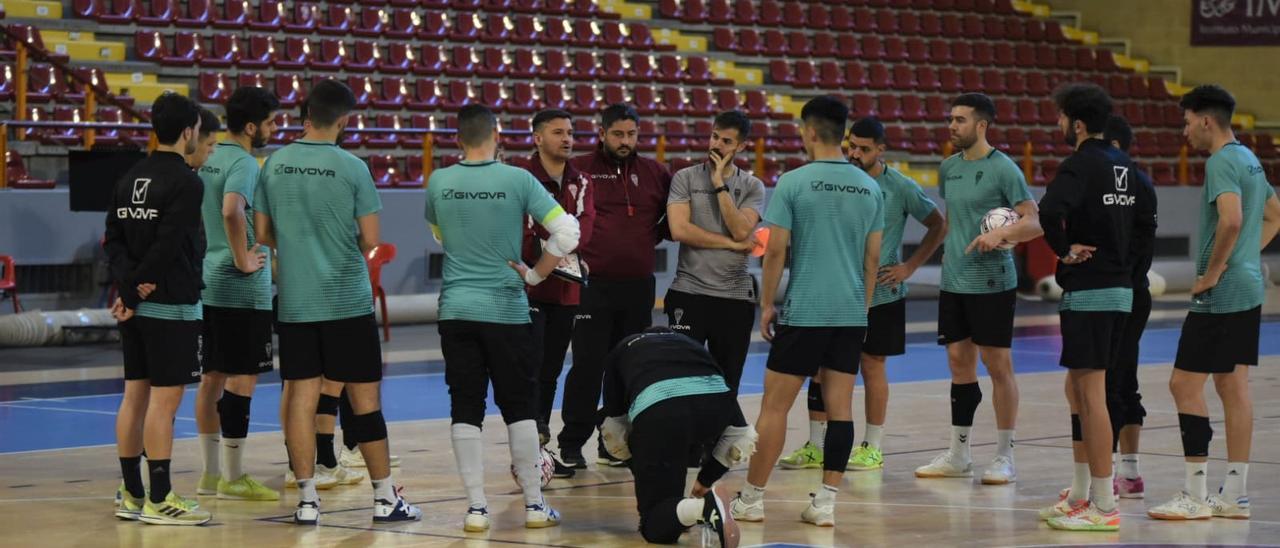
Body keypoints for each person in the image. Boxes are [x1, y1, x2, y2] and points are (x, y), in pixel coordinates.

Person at [255, 79, 420, 525]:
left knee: (300, 399)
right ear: (345, 120)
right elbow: (370, 239)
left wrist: (297, 243)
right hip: (346, 299)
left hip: (295, 301)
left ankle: (307, 500)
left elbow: (262, 234)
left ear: (307, 114)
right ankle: (385, 498)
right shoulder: (353, 167)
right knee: (365, 400)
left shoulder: (273, 164)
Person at [729, 96, 884, 527]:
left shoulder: (795, 182)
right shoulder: (870, 186)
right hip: (851, 313)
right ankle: (825, 503)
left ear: (810, 132)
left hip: (805, 312)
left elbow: (775, 249)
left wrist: (765, 305)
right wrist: (863, 309)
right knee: (841, 409)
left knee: (774, 407)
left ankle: (753, 498)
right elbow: (873, 260)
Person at [426, 104, 579, 532]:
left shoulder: (440, 181)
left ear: (457, 138)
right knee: (520, 407)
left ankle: (476, 509)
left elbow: (437, 233)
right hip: (507, 310)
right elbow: (568, 232)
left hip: (456, 309)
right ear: (497, 135)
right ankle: (533, 505)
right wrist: (535, 274)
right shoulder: (518, 179)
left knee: (465, 407)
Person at [779, 117, 945, 472]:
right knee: (821, 369)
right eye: (851, 145)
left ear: (881, 150)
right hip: (837, 291)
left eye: (864, 149)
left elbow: (938, 224)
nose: (855, 153)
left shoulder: (899, 186)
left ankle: (872, 445)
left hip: (882, 293)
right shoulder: (838, 180)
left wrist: (910, 267)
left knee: (872, 366)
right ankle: (816, 444)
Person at [1148, 84, 1280, 521]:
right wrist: (1244, 257)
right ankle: (1235, 495)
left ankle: (1195, 494)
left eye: (1187, 122)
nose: (1185, 131)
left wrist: (1216, 270)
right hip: (1248, 287)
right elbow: (1275, 216)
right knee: (1232, 387)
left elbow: (1232, 218)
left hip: (1222, 292)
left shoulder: (1223, 161)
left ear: (1206, 120)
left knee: (1183, 386)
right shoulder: (1249, 158)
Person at [1035, 83, 1153, 532]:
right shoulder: (1130, 168)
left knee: (1092, 395)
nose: (1058, 125)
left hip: (1089, 292)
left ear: (1077, 123)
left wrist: (1065, 251)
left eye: (1061, 118)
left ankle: (1103, 505)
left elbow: (1049, 212)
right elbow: (1147, 225)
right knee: (1079, 392)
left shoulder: (1079, 165)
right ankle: (1081, 494)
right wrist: (1127, 268)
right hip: (1122, 290)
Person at [914, 93, 1042, 485]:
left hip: (993, 281)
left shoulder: (1004, 169)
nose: (952, 126)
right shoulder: (949, 167)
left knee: (998, 365)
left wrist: (1001, 233)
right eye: (951, 119)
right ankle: (959, 453)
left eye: (960, 120)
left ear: (982, 125)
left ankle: (1004, 456)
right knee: (958, 361)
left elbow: (1034, 222)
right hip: (955, 280)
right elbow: (954, 221)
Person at [105, 92, 211, 525]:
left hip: (136, 306)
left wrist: (127, 291)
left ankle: (131, 493)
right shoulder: (187, 181)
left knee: (134, 396)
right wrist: (136, 292)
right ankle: (160, 497)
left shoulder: (128, 176)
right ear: (189, 132)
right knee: (163, 404)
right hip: (170, 304)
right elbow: (168, 244)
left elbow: (112, 239)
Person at [561, 103, 672, 469]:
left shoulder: (655, 172)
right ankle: (572, 442)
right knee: (589, 366)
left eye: (632, 135)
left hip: (638, 287)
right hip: (592, 286)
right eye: (618, 134)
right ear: (602, 133)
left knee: (629, 366)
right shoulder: (579, 169)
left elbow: (668, 223)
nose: (625, 141)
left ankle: (615, 444)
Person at [190, 89, 279, 503]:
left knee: (210, 378)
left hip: (207, 281)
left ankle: (210, 474)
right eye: (270, 122)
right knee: (243, 378)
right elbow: (231, 210)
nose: (274, 129)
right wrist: (243, 259)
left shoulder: (205, 158)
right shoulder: (244, 162)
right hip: (239, 289)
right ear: (250, 127)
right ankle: (234, 475)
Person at [599, 327, 752, 546]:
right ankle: (689, 508)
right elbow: (741, 437)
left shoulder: (621, 351)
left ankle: (702, 508)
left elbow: (613, 430)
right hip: (713, 407)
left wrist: (640, 468)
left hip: (661, 411)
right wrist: (706, 479)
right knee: (671, 505)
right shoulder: (693, 346)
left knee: (654, 528)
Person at [665, 110, 765, 396]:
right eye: (714, 137)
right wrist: (733, 246)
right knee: (682, 379)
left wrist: (720, 183)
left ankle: (719, 440)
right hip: (689, 292)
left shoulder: (752, 186)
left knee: (726, 382)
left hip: (733, 299)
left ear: (741, 147)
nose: (717, 146)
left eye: (726, 141)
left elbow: (741, 231)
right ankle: (685, 440)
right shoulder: (684, 178)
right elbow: (680, 231)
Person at [518, 109, 595, 476]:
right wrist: (552, 256)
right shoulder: (521, 179)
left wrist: (560, 253)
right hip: (528, 291)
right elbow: (526, 232)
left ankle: (540, 448)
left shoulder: (581, 182)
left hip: (566, 292)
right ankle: (525, 449)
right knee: (528, 368)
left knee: (550, 370)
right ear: (537, 138)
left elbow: (585, 230)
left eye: (570, 132)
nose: (567, 139)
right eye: (557, 132)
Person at [1102, 114, 1158, 499]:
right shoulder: (1128, 182)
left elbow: (1140, 247)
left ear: (1116, 146)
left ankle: (1118, 476)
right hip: (1122, 292)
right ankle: (1117, 474)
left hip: (1124, 293)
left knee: (1116, 383)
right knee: (1114, 382)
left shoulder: (1132, 182)